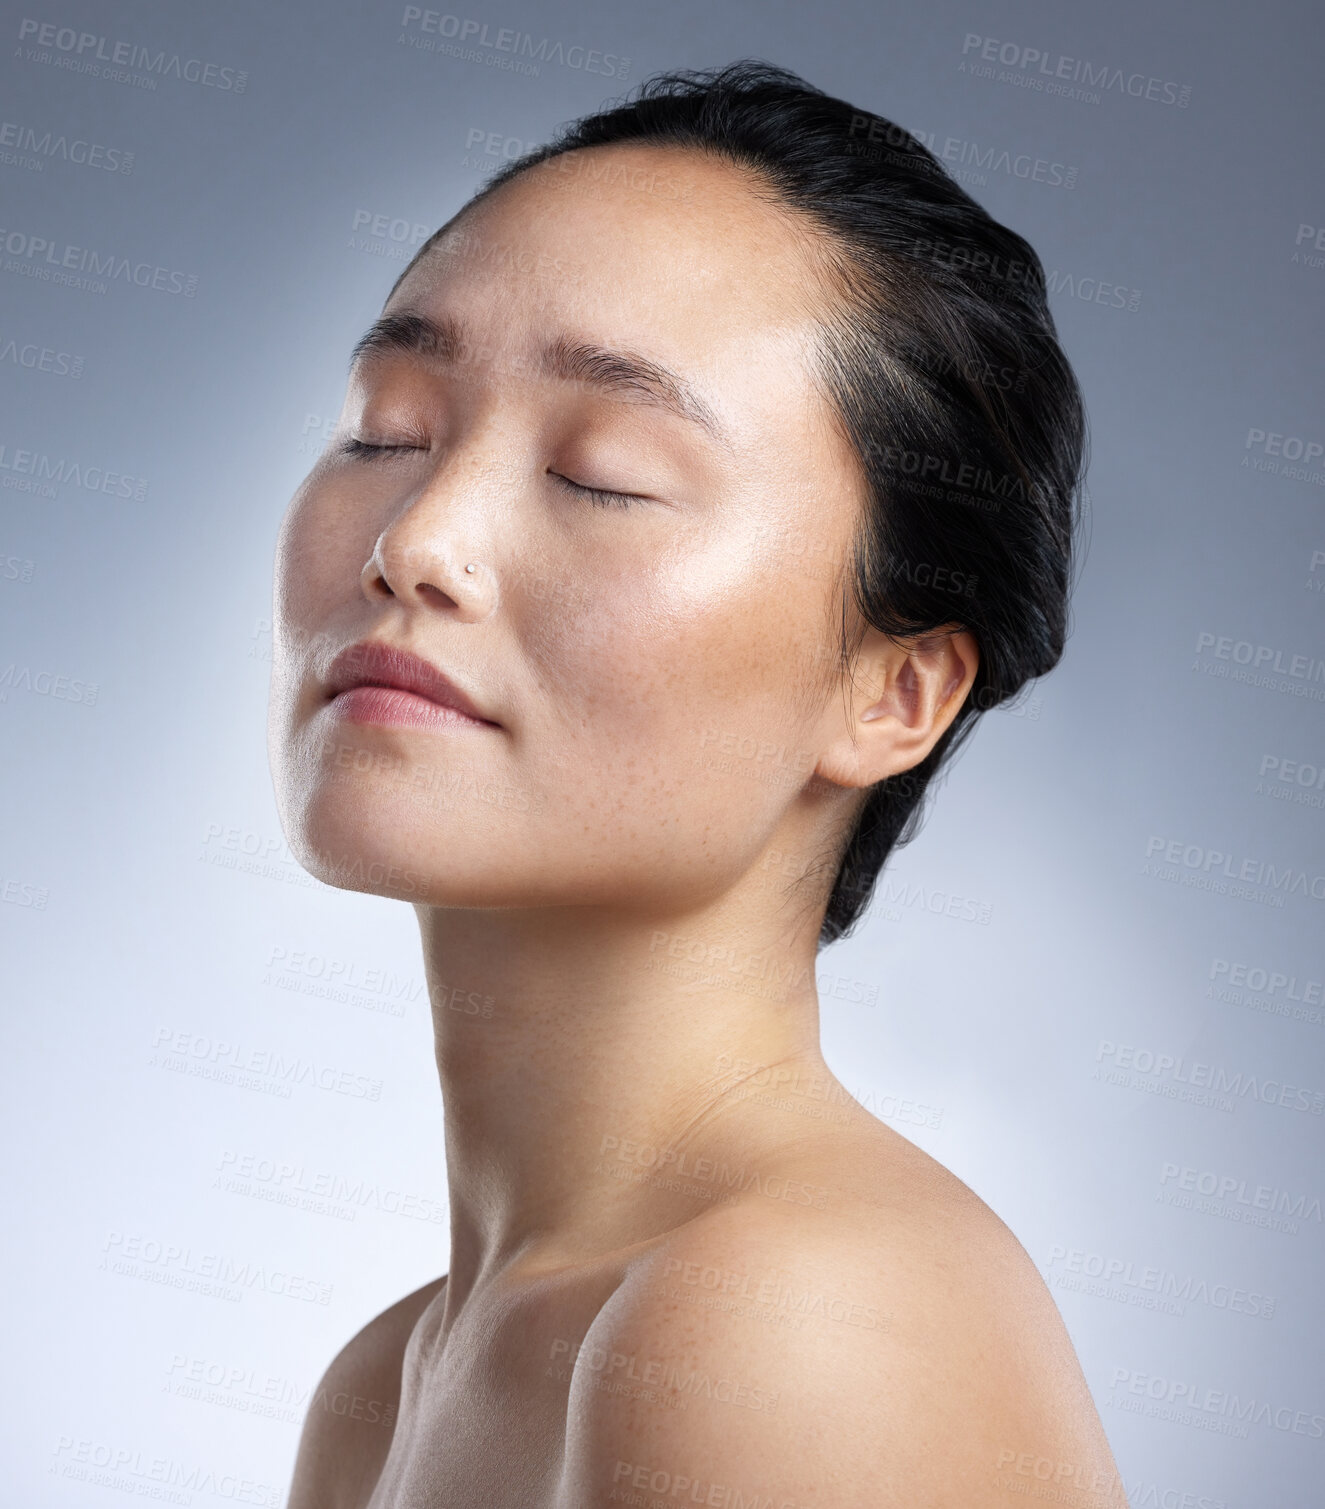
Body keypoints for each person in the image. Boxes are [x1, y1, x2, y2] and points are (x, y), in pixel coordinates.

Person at [271, 59, 1124, 1509]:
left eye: (603, 472)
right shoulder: (381, 1384)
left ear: (891, 689)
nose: (417, 538)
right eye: (388, 426)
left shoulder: (796, 1323)